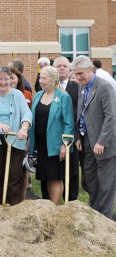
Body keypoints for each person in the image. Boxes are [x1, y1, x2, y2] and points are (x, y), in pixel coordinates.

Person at [71, 55, 116, 218]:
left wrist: (102, 141)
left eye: (80, 73)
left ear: (90, 69)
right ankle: (95, 215)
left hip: (103, 144)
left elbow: (111, 117)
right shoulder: (82, 87)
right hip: (86, 141)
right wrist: (78, 137)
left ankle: (106, 220)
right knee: (91, 181)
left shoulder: (105, 87)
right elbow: (80, 113)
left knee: (106, 184)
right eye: (75, 74)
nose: (77, 77)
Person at [0, 66, 32, 206]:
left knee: (14, 176)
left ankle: (14, 208)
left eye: (6, 79)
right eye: (0, 79)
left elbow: (27, 113)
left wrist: (24, 128)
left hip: (15, 139)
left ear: (11, 80)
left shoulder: (17, 94)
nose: (3, 82)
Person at [29, 66, 74, 205]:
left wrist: (64, 145)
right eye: (40, 77)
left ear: (54, 80)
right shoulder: (38, 95)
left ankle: (55, 208)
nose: (40, 81)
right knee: (47, 177)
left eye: (44, 78)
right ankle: (50, 206)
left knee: (55, 177)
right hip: (42, 145)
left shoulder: (63, 97)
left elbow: (69, 123)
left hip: (56, 145)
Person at [52, 56, 80, 201]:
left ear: (69, 69)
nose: (62, 68)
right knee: (54, 171)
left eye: (64, 66)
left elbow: (78, 111)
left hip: (72, 135)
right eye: (59, 66)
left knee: (72, 171)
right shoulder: (47, 87)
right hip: (53, 136)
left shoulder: (76, 87)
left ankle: (72, 201)